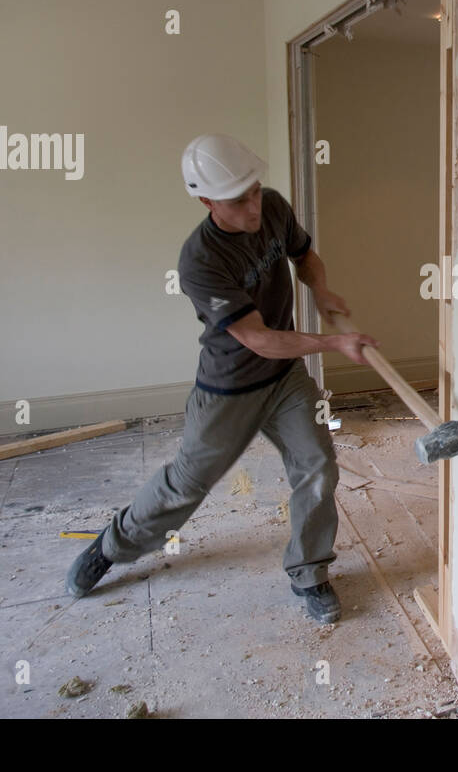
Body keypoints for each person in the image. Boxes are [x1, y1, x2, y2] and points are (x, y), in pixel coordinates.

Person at [65, 133, 377, 623]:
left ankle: (310, 571)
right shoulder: (201, 260)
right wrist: (333, 343)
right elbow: (258, 338)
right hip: (230, 387)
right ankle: (112, 545)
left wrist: (320, 290)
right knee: (185, 485)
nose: (253, 206)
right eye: (238, 200)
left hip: (285, 378)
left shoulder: (272, 206)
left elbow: (304, 255)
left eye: (255, 190)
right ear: (206, 200)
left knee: (317, 465)